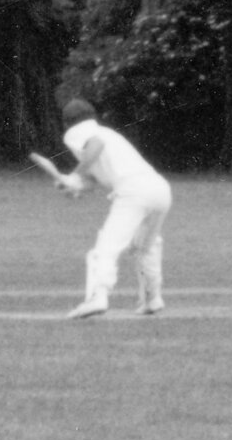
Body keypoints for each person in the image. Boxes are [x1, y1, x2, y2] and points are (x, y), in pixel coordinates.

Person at [48, 101, 171, 319]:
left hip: (133, 191)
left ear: (67, 122)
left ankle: (98, 297)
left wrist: (74, 175)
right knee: (145, 247)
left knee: (105, 248)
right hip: (159, 189)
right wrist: (74, 185)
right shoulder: (106, 132)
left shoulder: (77, 132)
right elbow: (95, 178)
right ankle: (152, 299)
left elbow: (95, 146)